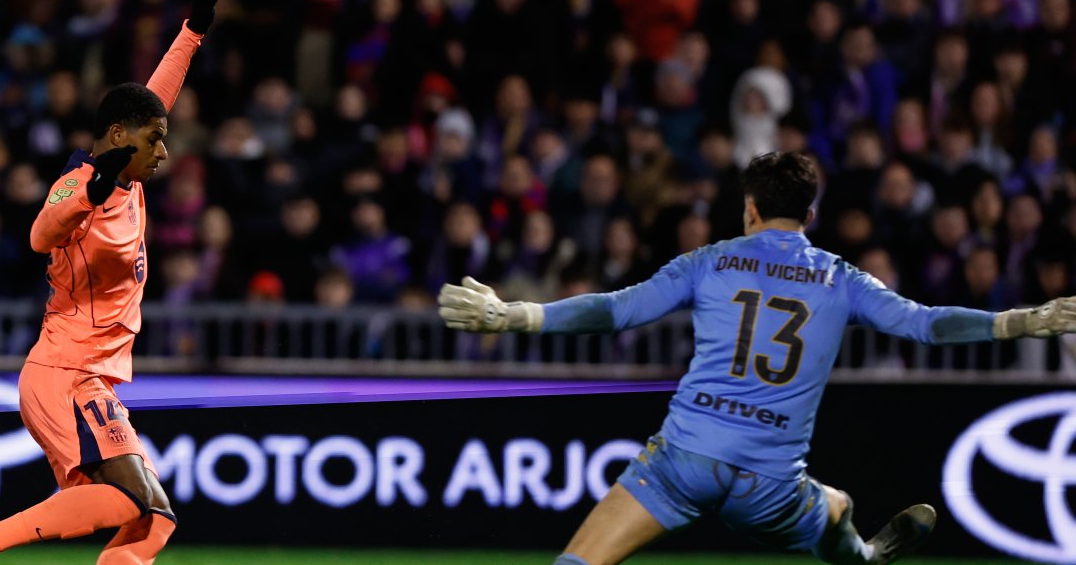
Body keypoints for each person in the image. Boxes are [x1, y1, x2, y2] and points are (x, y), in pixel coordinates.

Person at [438, 152, 1076, 565]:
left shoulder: (709, 260)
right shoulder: (841, 278)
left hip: (681, 463)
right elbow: (927, 326)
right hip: (767, 484)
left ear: (749, 207)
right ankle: (863, 555)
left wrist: (515, 314)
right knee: (838, 507)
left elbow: (615, 309)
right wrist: (1023, 320)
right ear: (810, 214)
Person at [0, 0, 234, 565]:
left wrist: (193, 30)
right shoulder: (79, 182)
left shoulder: (129, 169)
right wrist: (88, 194)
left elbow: (155, 98)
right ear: (119, 138)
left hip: (91, 375)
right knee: (127, 498)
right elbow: (40, 234)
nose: (164, 150)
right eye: (155, 140)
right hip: (64, 374)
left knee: (154, 520)